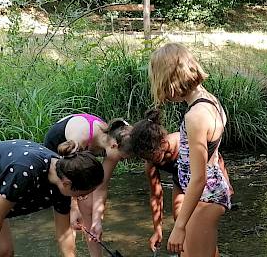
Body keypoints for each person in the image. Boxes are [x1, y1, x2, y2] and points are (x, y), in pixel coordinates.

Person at [148, 42, 231, 256]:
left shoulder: (195, 116)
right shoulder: (211, 101)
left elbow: (198, 177)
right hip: (209, 195)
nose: (164, 95)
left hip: (206, 197)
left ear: (170, 80)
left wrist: (179, 226)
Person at [127, 108, 233, 253]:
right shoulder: (151, 161)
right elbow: (156, 195)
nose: (149, 161)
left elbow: (216, 157)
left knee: (197, 229)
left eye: (151, 156)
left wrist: (227, 183)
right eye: (145, 158)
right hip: (181, 181)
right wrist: (157, 230)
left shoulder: (182, 142)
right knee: (181, 221)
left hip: (202, 179)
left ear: (163, 142)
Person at [43, 113, 131, 256]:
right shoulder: (81, 135)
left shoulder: (113, 148)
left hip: (79, 163)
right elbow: (69, 176)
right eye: (122, 158)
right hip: (58, 160)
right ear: (114, 145)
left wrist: (98, 220)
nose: (121, 161)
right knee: (68, 215)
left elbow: (100, 185)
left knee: (90, 209)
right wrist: (74, 206)